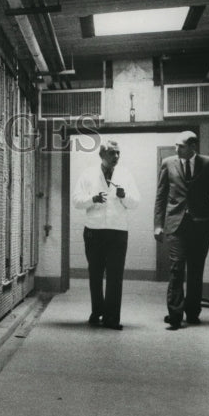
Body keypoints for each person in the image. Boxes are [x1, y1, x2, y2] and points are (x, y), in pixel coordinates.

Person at [154, 131, 209, 330]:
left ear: (193, 147)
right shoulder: (168, 163)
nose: (176, 149)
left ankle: (192, 312)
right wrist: (158, 225)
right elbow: (161, 196)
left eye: (181, 146)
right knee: (176, 269)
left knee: (195, 270)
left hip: (200, 226)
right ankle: (174, 315)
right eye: (175, 145)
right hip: (176, 225)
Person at [72, 138, 141, 330]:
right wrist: (92, 199)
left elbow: (136, 202)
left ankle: (112, 318)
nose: (116, 157)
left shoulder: (125, 174)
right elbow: (76, 200)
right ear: (102, 155)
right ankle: (97, 311)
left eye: (118, 153)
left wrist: (124, 196)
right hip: (94, 231)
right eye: (112, 153)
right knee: (95, 274)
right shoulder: (88, 174)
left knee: (115, 275)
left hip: (118, 231)